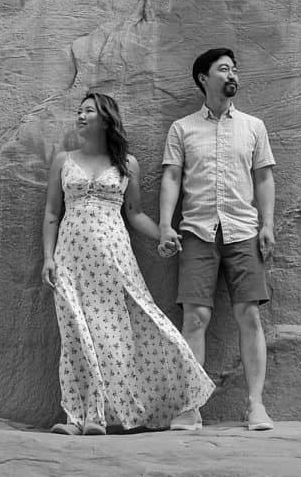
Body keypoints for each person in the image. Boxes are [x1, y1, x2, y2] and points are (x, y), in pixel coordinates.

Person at [42, 92, 215, 435]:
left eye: (88, 111)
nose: (80, 116)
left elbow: (135, 214)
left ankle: (103, 416)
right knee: (75, 334)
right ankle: (76, 419)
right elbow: (51, 213)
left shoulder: (127, 165)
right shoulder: (63, 160)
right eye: (79, 111)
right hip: (70, 260)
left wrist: (163, 234)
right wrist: (47, 258)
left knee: (115, 334)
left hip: (114, 258)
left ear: (105, 118)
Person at [158, 48, 277, 432]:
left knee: (250, 316)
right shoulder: (182, 129)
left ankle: (256, 406)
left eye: (235, 69)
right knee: (194, 318)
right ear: (202, 79)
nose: (233, 74)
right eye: (223, 69)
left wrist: (268, 225)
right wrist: (164, 225)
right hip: (196, 230)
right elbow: (172, 177)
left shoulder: (254, 127)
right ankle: (191, 407)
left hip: (243, 230)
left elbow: (264, 178)